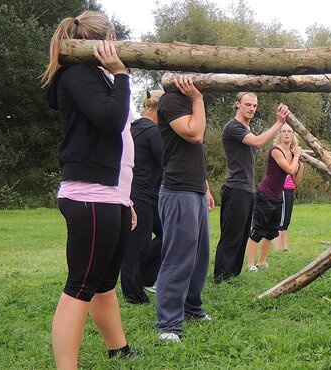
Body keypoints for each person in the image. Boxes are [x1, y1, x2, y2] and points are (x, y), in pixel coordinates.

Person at [41, 10, 139, 368]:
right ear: (106, 41)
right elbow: (111, 120)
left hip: (111, 194)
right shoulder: (79, 73)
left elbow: (116, 141)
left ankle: (119, 348)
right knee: (81, 285)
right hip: (89, 195)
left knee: (104, 283)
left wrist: (125, 198)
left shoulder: (96, 76)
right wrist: (122, 74)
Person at [154, 75, 216, 343]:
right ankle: (168, 324)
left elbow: (195, 153)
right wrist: (198, 99)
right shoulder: (170, 101)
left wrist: (206, 188)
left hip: (195, 191)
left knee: (199, 258)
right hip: (177, 191)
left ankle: (192, 309)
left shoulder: (188, 103)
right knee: (178, 258)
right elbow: (194, 134)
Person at [213, 92, 284, 283]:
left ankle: (233, 274)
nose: (251, 108)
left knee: (243, 234)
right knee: (231, 235)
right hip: (235, 188)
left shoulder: (247, 127)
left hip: (246, 189)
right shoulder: (233, 127)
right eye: (247, 104)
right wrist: (278, 123)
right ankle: (221, 276)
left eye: (254, 105)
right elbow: (259, 142)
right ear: (237, 104)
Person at [121, 90, 165, 304]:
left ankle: (146, 277)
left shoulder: (134, 128)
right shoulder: (152, 131)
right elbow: (167, 163)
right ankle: (132, 293)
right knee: (137, 243)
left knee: (166, 234)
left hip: (145, 192)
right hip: (140, 193)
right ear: (159, 109)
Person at [246, 109, 300, 271]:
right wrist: (297, 157)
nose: (286, 134)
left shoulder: (291, 152)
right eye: (283, 131)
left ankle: (262, 262)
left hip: (278, 196)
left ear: (293, 134)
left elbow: (296, 179)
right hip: (265, 194)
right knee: (258, 230)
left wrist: (297, 158)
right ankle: (250, 264)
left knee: (271, 232)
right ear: (279, 134)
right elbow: (290, 170)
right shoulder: (275, 151)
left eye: (289, 131)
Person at [273, 172, 300, 252]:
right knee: (281, 220)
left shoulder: (295, 162)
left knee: (287, 220)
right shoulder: (286, 160)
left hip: (290, 190)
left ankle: (284, 248)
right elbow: (290, 170)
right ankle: (277, 249)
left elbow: (297, 182)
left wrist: (301, 165)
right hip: (283, 189)